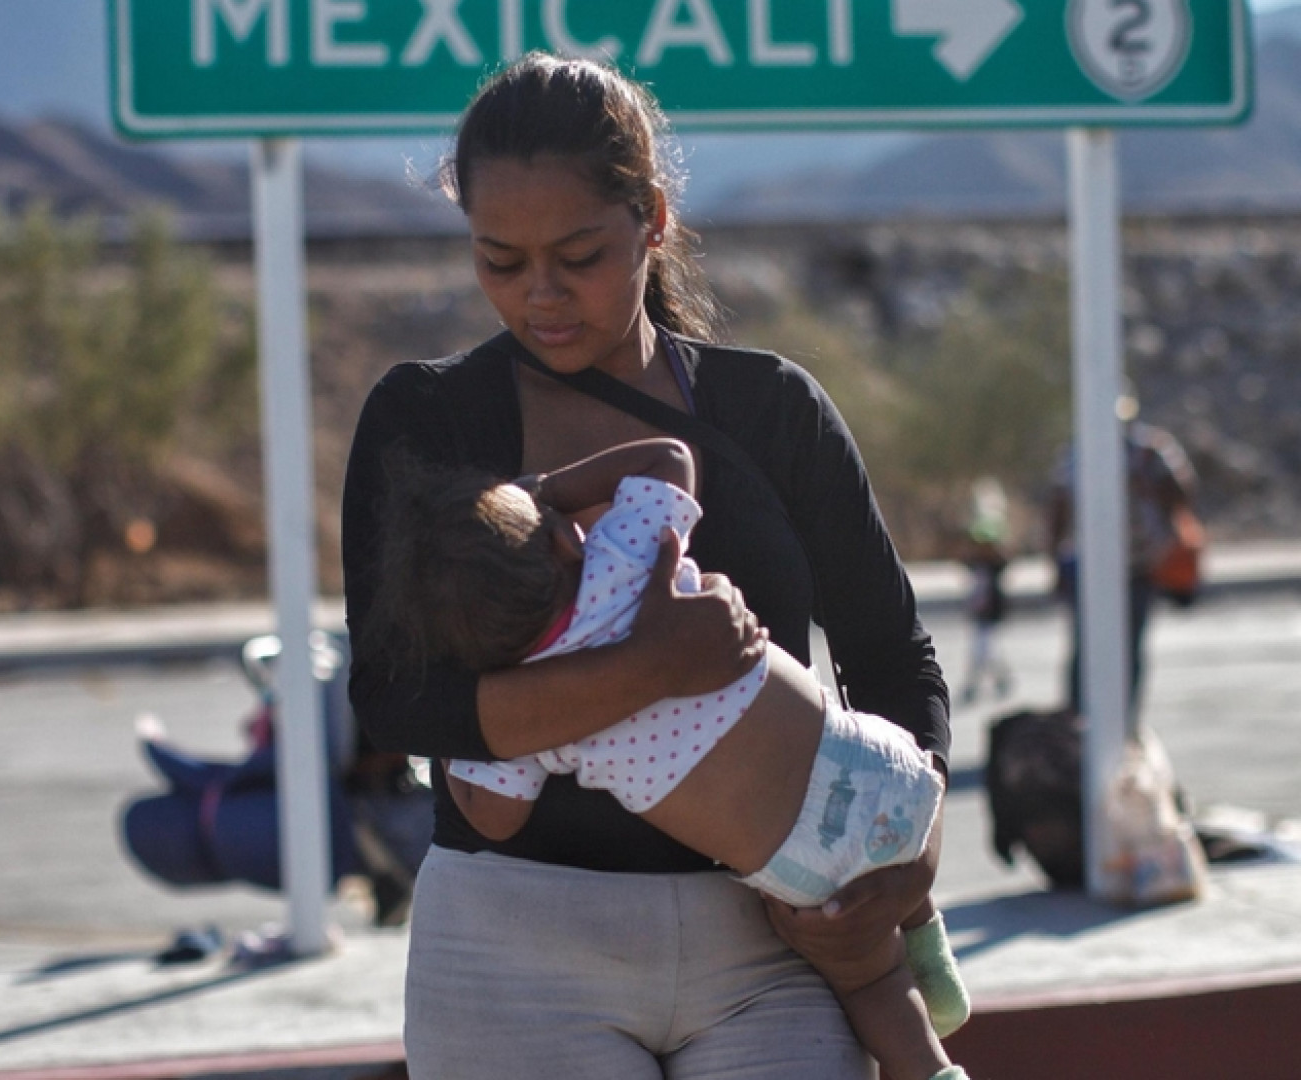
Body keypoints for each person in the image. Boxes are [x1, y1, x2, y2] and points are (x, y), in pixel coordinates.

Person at [342, 53, 952, 1080]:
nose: (540, 295)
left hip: (770, 943)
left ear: (653, 221)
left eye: (578, 255)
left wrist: (909, 854)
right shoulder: (426, 423)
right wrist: (651, 669)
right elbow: (398, 701)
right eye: (499, 260)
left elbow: (894, 660)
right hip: (510, 950)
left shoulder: (773, 412)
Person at [368, 439, 968, 1079]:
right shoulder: (625, 554)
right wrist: (548, 492)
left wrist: (464, 724)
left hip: (804, 862)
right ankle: (927, 942)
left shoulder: (540, 715)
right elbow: (669, 460)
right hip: (880, 764)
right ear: (564, 542)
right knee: (890, 872)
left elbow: (492, 818)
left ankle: (930, 1066)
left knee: (868, 983)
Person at [1049, 396, 1197, 723]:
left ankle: (1125, 722)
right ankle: (1076, 721)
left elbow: (1183, 492)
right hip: (1089, 567)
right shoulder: (1078, 452)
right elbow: (1059, 507)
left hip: (1138, 564)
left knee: (1129, 645)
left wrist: (1145, 481)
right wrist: (1056, 562)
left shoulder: (1149, 450)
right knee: (1085, 647)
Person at [955, 479, 1014, 706]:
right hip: (979, 610)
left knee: (984, 649)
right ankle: (995, 680)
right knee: (983, 649)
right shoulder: (978, 566)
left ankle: (983, 683)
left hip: (990, 611)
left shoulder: (994, 568)